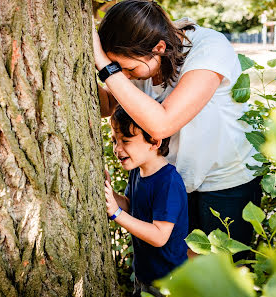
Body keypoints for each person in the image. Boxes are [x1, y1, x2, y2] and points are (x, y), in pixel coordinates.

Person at [94, 0, 262, 251]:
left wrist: (107, 69)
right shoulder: (141, 57)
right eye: (120, 69)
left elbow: (163, 124)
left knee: (217, 278)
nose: (124, 77)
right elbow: (107, 105)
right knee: (176, 274)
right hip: (172, 182)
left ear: (159, 47)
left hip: (224, 184)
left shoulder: (209, 49)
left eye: (128, 69)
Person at [105, 105, 188, 297]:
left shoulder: (168, 182)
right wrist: (110, 194)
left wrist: (116, 214)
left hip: (168, 282)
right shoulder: (138, 170)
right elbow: (132, 207)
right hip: (145, 273)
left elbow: (159, 237)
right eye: (114, 141)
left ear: (154, 141)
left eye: (125, 141)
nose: (117, 149)